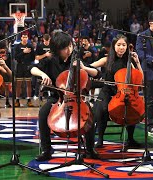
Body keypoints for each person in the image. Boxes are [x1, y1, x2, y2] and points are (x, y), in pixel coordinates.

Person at [29, 31, 101, 161]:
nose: (68, 50)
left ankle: (90, 149)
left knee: (89, 113)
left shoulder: (76, 59)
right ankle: (46, 149)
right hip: (58, 98)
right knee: (43, 112)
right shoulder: (50, 60)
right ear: (57, 49)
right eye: (64, 48)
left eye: (70, 46)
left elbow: (96, 73)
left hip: (77, 98)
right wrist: (43, 75)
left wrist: (84, 68)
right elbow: (32, 69)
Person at [90, 34, 143, 148]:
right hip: (108, 92)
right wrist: (86, 70)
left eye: (124, 45)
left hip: (124, 93)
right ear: (114, 46)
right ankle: (100, 139)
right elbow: (90, 67)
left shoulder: (129, 62)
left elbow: (140, 79)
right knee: (102, 109)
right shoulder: (106, 60)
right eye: (118, 45)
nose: (121, 47)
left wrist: (137, 62)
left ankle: (130, 139)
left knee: (131, 108)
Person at [14, 33, 35, 107]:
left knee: (29, 84)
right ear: (21, 38)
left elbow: (33, 57)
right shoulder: (17, 46)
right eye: (24, 37)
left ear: (28, 38)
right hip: (20, 66)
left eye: (26, 37)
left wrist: (30, 54)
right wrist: (23, 52)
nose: (25, 38)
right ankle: (17, 100)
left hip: (28, 66)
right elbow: (15, 57)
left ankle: (29, 100)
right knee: (18, 84)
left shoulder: (30, 46)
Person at [0, 41, 12, 107]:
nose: (2, 51)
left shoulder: (8, 54)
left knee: (6, 86)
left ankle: (7, 101)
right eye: (1, 50)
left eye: (3, 50)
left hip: (6, 70)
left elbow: (10, 62)